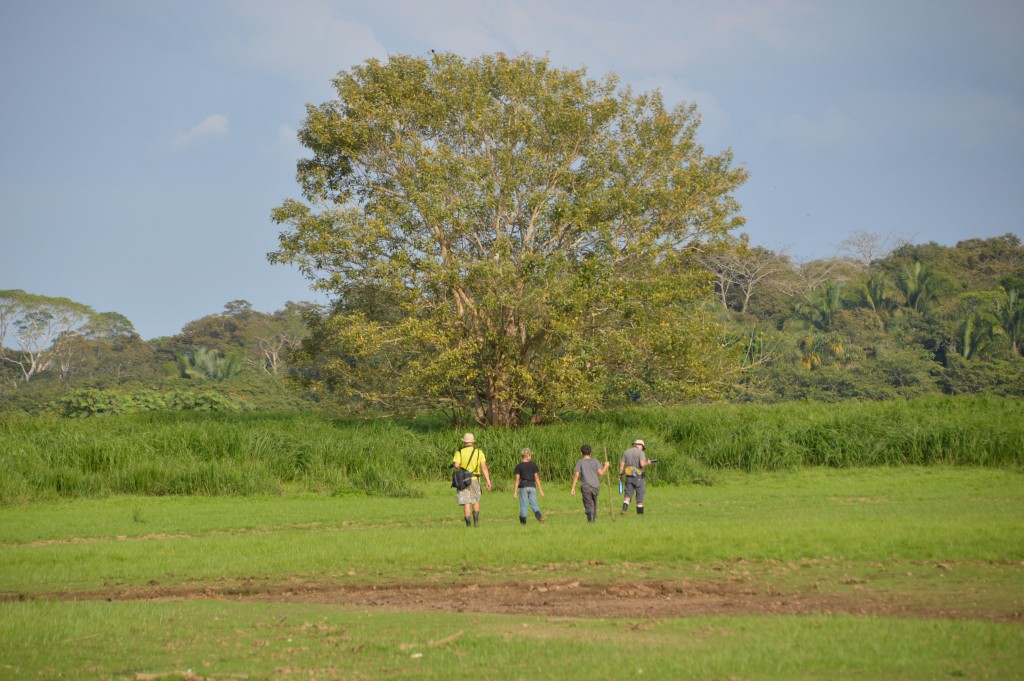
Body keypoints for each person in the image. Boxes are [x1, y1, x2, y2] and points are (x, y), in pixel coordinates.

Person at [452, 432, 492, 527]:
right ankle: (476, 521)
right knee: (475, 500)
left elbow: (457, 465)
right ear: (472, 442)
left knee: (466, 502)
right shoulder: (479, 452)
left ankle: (468, 526)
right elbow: (484, 467)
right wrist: (488, 481)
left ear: (464, 442)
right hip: (475, 479)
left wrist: (454, 464)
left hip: (463, 479)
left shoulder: (460, 452)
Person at [570, 444, 610, 523]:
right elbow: (601, 473)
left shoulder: (580, 462)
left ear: (581, 453)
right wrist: (606, 466)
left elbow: (576, 475)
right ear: (590, 453)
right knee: (594, 504)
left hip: (585, 487)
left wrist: (573, 487)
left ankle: (591, 522)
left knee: (588, 504)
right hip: (595, 486)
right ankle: (593, 521)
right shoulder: (595, 461)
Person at [619, 438, 651, 515]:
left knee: (628, 494)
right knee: (640, 495)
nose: (642, 449)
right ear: (639, 445)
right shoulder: (640, 453)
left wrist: (620, 474)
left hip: (628, 476)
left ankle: (624, 510)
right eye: (642, 447)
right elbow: (642, 464)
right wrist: (648, 463)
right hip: (638, 477)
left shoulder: (626, 452)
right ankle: (640, 515)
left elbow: (622, 464)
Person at [513, 448, 545, 525]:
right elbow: (536, 477)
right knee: (534, 504)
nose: (531, 456)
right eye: (530, 455)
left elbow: (517, 479)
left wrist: (515, 492)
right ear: (527, 456)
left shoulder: (519, 466)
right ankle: (540, 517)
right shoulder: (533, 465)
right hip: (532, 487)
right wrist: (540, 489)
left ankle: (523, 524)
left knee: (524, 505)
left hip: (524, 487)